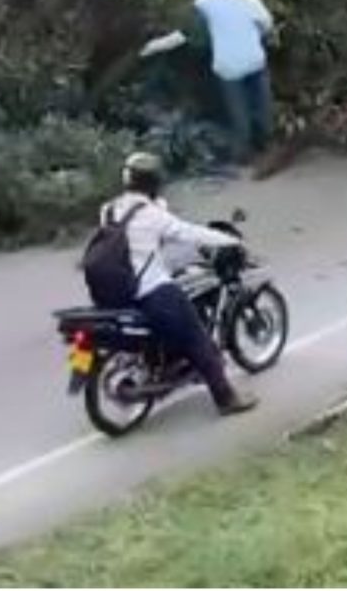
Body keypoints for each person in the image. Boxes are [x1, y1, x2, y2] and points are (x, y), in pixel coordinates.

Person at [104, 153, 258, 415]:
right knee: (199, 339)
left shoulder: (108, 210)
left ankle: (169, 361)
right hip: (150, 291)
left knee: (174, 320)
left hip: (114, 291)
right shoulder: (153, 214)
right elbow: (186, 233)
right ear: (155, 182)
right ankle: (226, 399)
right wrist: (229, 240)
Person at [193, 0, 276, 163]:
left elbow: (196, 15)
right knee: (262, 103)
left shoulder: (206, 0)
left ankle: (243, 153)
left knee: (238, 109)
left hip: (228, 65)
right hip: (254, 60)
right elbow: (267, 25)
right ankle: (266, 144)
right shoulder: (251, 1)